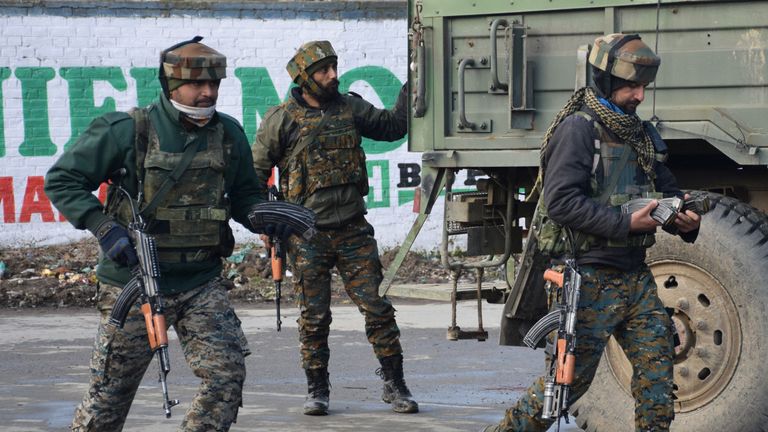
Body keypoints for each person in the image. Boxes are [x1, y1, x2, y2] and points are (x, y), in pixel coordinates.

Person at [44, 37, 266, 431]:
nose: (207, 92)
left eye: (214, 83)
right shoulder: (127, 130)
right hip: (135, 283)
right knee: (108, 398)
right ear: (169, 84)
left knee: (226, 377)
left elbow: (246, 195)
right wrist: (103, 226)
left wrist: (266, 216)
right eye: (197, 84)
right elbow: (63, 180)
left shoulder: (229, 134)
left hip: (201, 281)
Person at [483, 33, 701, 431]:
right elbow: (562, 201)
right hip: (587, 278)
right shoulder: (578, 130)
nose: (638, 95)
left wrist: (684, 219)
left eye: (643, 87)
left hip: (635, 278)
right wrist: (624, 223)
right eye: (631, 86)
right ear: (605, 79)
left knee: (657, 382)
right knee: (565, 387)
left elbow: (667, 191)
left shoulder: (641, 135)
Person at [252, 40, 418, 416]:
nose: (332, 76)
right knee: (314, 316)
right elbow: (254, 176)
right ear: (304, 78)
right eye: (323, 71)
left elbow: (393, 127)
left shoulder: (350, 107)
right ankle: (317, 389)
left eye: (333, 68)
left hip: (353, 231)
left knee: (377, 308)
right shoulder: (282, 120)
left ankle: (396, 385)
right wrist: (265, 223)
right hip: (306, 236)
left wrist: (412, 85)